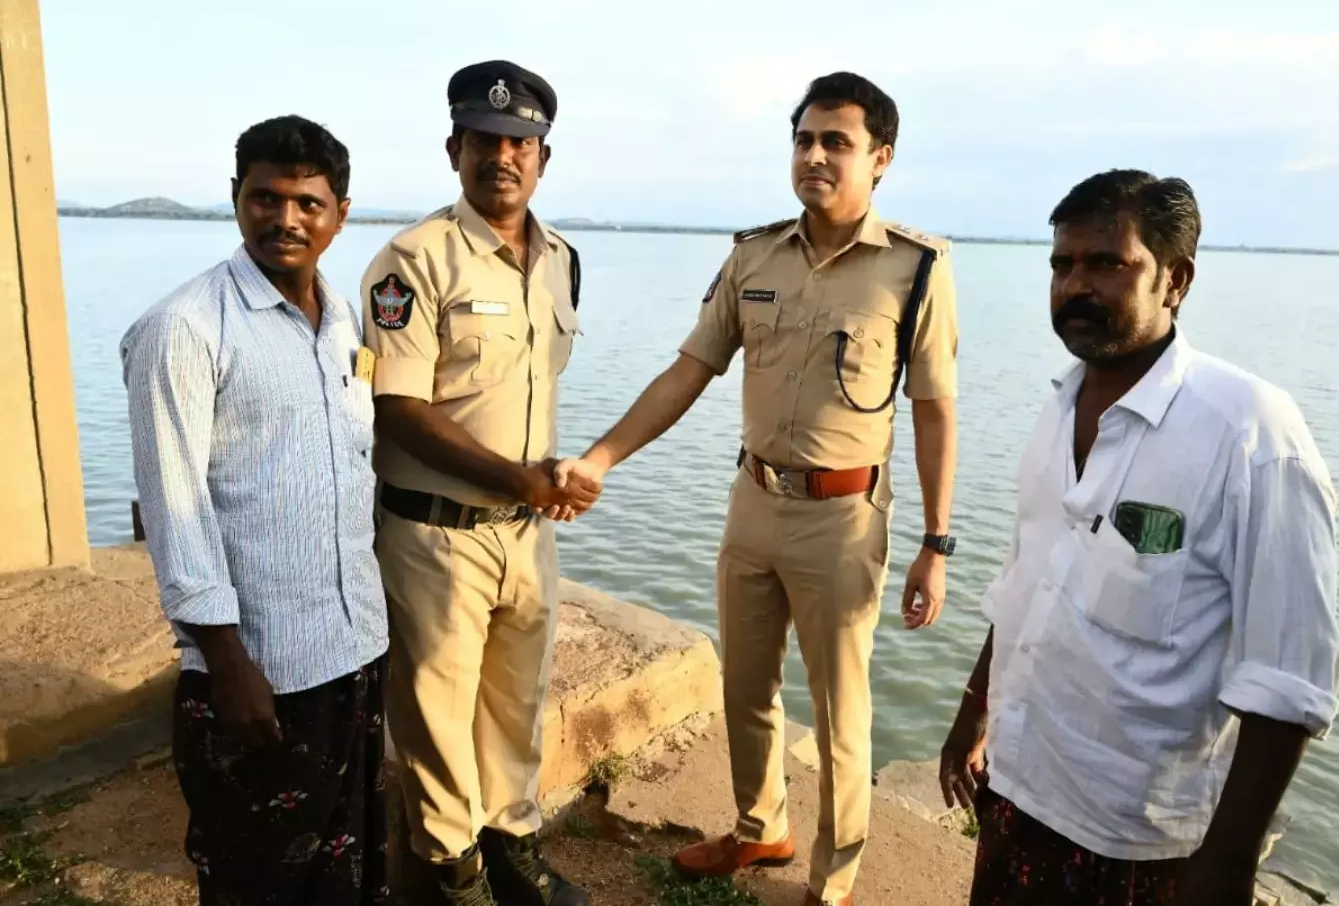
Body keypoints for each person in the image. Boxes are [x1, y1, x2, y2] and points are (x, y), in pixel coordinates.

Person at [555, 71, 959, 906]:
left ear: (880, 158)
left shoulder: (915, 270)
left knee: (844, 716)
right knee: (745, 685)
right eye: (804, 139)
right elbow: (689, 371)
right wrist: (600, 457)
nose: (815, 155)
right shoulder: (754, 255)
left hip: (844, 518)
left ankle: (834, 882)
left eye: (836, 142)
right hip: (752, 501)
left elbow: (934, 412)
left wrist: (937, 543)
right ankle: (758, 827)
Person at [938, 169, 1339, 906]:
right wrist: (974, 712)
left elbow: (1287, 678)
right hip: (1020, 789)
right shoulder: (1060, 407)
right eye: (1061, 265)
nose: (1074, 286)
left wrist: (1226, 863)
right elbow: (1033, 579)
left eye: (1106, 263)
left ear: (1176, 279)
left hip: (1138, 845)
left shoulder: (1250, 433)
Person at [121, 116, 391, 905]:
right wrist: (227, 662)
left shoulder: (344, 320)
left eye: (308, 203)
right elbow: (175, 506)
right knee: (254, 876)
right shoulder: (186, 328)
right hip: (260, 671)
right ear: (235, 201)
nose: (285, 219)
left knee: (344, 865)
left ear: (340, 213)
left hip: (353, 649)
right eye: (264, 198)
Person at [358, 60, 597, 906]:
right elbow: (399, 407)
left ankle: (509, 848)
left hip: (526, 535)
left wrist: (537, 488)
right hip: (434, 535)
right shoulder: (411, 261)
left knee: (513, 708)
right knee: (433, 718)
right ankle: (449, 873)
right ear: (454, 147)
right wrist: (518, 477)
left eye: (521, 142)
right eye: (486, 140)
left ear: (543, 157)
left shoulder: (562, 258)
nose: (504, 156)